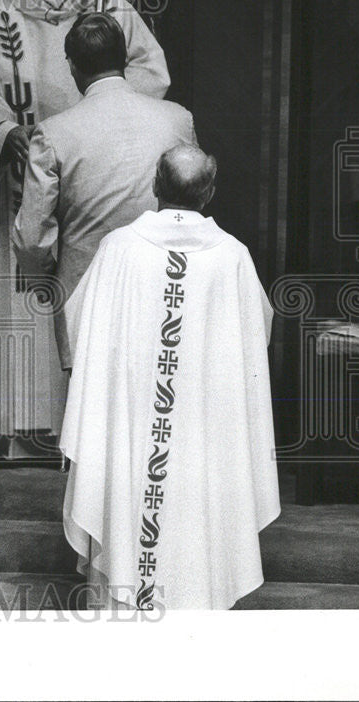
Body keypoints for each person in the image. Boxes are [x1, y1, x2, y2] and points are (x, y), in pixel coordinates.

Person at [0, 0, 170, 459]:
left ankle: (89, 436)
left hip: (94, 180)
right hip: (23, 177)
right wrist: (5, 131)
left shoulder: (111, 7)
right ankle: (22, 429)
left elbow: (150, 74)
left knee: (91, 296)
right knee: (22, 295)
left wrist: (93, 128)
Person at [59, 145, 281, 610]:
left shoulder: (118, 248)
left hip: (135, 423)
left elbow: (80, 325)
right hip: (201, 429)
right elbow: (256, 334)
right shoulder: (232, 257)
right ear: (210, 193)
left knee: (127, 499)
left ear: (156, 186)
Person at [13, 12, 198, 368]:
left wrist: (47, 285)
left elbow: (32, 238)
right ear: (125, 58)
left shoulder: (53, 133)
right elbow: (193, 210)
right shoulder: (179, 119)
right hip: (167, 293)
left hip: (86, 298)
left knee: (91, 416)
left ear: (72, 66)